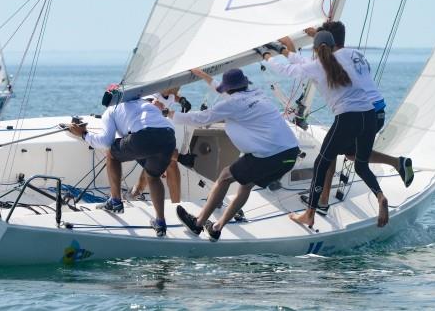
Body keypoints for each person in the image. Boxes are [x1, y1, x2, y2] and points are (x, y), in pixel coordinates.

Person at [261, 30, 390, 228]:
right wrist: (284, 50)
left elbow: (288, 71)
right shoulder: (344, 56)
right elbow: (303, 64)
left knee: (322, 163)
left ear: (314, 48)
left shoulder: (315, 66)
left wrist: (267, 56)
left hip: (349, 117)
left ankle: (310, 214)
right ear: (334, 46)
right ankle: (380, 196)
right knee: (361, 165)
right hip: (369, 115)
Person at [296, 22, 414, 214]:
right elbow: (329, 48)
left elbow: (325, 55)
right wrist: (316, 35)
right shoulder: (355, 54)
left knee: (330, 151)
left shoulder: (334, 58)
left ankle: (323, 201)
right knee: (352, 154)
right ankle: (397, 163)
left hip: (360, 111)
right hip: (377, 111)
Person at [172, 68, 300, 242]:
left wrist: (170, 114)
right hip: (291, 153)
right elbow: (226, 93)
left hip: (270, 155)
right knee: (246, 185)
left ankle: (197, 223)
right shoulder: (257, 93)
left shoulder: (231, 104)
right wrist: (204, 76)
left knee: (225, 176)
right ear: (245, 84)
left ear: (228, 88)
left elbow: (201, 118)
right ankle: (216, 228)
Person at [67, 84, 176, 237]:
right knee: (153, 176)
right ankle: (160, 221)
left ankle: (115, 201)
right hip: (169, 136)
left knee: (111, 153)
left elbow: (105, 141)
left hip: (144, 136)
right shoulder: (145, 103)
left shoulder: (111, 110)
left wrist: (84, 134)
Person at [128, 90, 189, 203]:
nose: (175, 91)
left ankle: (175, 204)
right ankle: (136, 191)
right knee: (165, 158)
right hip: (141, 134)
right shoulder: (154, 95)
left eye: (177, 89)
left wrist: (181, 100)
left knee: (167, 162)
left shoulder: (170, 94)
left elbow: (173, 95)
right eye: (174, 88)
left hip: (159, 134)